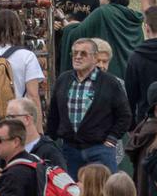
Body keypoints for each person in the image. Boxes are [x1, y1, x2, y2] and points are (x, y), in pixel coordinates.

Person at [46, 40, 131, 177]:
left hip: (99, 149)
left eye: (83, 53)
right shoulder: (63, 80)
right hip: (70, 150)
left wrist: (112, 138)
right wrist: (49, 140)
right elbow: (54, 115)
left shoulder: (110, 83)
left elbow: (125, 115)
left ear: (94, 57)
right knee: (71, 190)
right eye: (74, 53)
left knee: (104, 190)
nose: (78, 57)